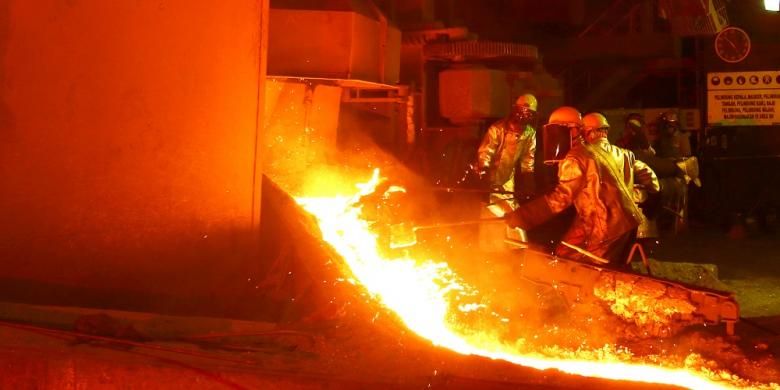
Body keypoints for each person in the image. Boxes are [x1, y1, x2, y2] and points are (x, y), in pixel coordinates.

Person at [505, 109, 660, 266]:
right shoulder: (623, 153)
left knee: (580, 267)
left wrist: (522, 216)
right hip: (627, 222)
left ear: (577, 131)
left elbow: (559, 199)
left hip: (603, 228)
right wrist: (653, 195)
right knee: (570, 254)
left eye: (557, 132)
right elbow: (649, 175)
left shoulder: (577, 157)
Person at [474, 94, 538, 247]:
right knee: (497, 216)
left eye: (528, 114)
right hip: (491, 180)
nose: (523, 117)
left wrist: (528, 179)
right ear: (514, 112)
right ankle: (493, 251)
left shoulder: (529, 133)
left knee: (511, 215)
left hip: (508, 181)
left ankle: (516, 249)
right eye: (521, 112)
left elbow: (528, 159)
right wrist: (483, 174)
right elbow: (485, 153)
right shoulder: (497, 129)